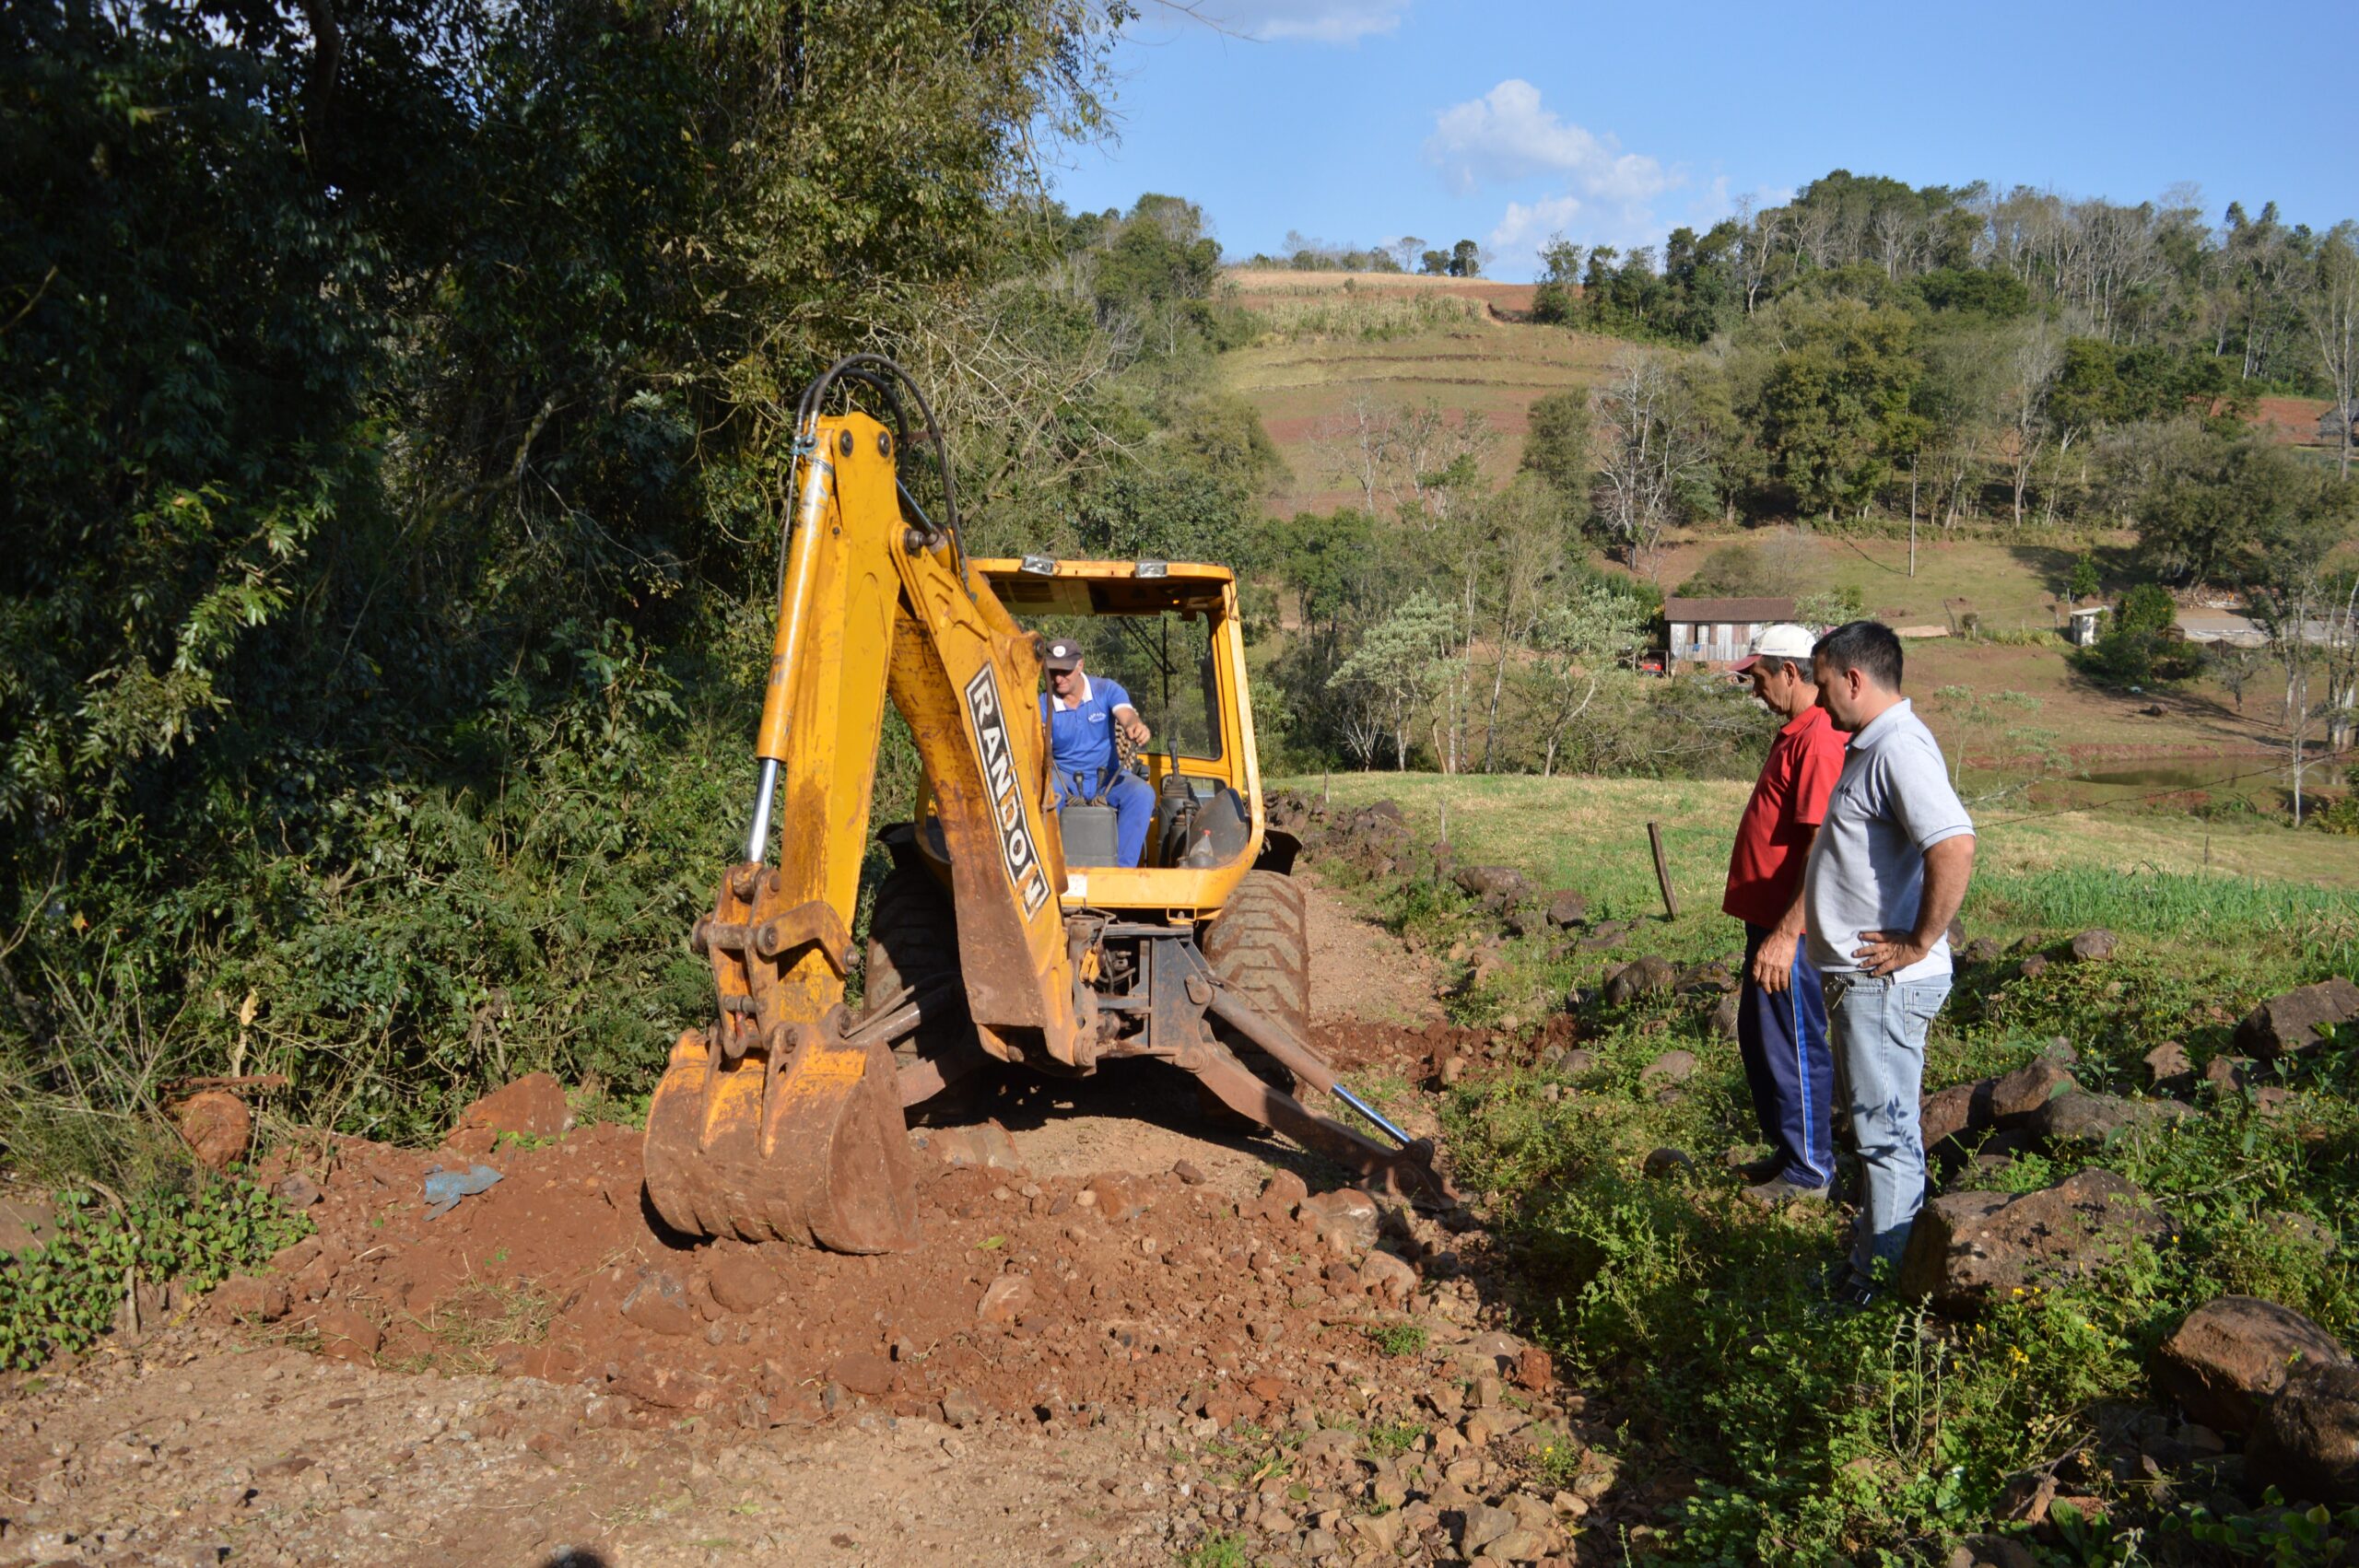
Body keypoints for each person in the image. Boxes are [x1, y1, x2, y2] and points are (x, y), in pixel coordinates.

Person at [1802, 620, 1977, 1306]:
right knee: (1875, 1132)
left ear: (1854, 679)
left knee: (1886, 1140)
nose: (1819, 703)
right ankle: (1867, 1269)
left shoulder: (1899, 746)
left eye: (1823, 687)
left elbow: (1954, 845)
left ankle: (1879, 1292)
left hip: (1885, 982)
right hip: (1864, 982)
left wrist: (1917, 940)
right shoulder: (1871, 745)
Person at [1720, 625, 1848, 1209]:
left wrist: (1788, 931)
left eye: (1760, 677)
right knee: (1763, 1041)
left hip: (1788, 931)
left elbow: (1820, 844)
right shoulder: (1795, 733)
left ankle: (1811, 1169)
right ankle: (1789, 1150)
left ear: (1791, 673)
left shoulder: (1818, 737)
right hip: (1769, 924)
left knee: (1794, 1042)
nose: (1755, 689)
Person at [1039, 639, 1156, 868]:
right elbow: (1039, 744)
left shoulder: (1106, 690)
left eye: (1065, 671)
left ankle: (1122, 873)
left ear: (1080, 665)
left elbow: (1126, 714)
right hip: (1064, 780)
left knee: (1142, 794)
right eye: (1053, 671)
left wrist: (1136, 726)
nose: (1058, 678)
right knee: (1044, 796)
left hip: (1107, 778)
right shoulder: (1043, 703)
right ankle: (1053, 870)